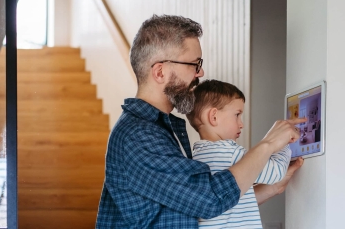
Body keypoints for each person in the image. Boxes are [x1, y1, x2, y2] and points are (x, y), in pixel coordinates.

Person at [95, 14, 305, 228]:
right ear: (160, 72)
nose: (200, 72)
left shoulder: (163, 129)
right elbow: (209, 199)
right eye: (194, 64)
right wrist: (268, 145)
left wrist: (272, 188)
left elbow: (197, 209)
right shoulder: (138, 136)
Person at [186, 79, 293, 228]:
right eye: (237, 115)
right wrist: (285, 144)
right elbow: (276, 171)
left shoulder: (194, 158)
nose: (241, 123)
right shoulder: (231, 153)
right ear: (214, 116)